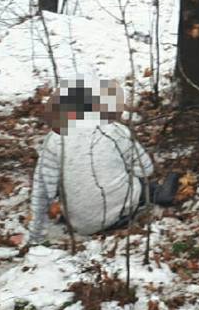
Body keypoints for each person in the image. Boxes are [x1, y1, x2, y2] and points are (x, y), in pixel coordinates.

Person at [28, 77, 176, 244]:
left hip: (81, 224)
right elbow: (146, 169)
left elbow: (42, 191)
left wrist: (35, 236)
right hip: (121, 214)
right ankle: (158, 195)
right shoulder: (117, 130)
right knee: (140, 182)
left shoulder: (55, 138)